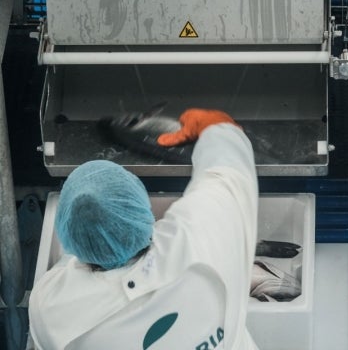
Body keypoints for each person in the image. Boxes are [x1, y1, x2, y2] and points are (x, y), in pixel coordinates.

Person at [29, 109, 259, 349]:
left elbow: (68, 273)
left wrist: (96, 239)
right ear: (141, 204)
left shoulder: (52, 312)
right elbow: (230, 169)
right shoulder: (200, 233)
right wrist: (216, 128)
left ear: (69, 237)